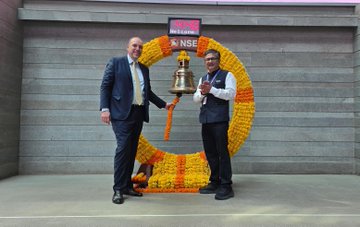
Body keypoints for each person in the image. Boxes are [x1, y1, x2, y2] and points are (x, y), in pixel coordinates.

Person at [100, 37, 171, 204]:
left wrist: (164, 105)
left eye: (140, 47)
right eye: (134, 46)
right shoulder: (116, 63)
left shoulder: (144, 69)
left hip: (138, 114)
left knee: (132, 152)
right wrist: (104, 109)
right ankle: (118, 189)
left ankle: (127, 186)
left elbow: (148, 92)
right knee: (123, 150)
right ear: (128, 47)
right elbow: (105, 86)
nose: (137, 49)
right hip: (121, 115)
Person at [193, 49, 236, 200]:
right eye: (207, 59)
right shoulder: (202, 78)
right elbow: (196, 98)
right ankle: (215, 181)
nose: (210, 62)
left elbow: (231, 94)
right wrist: (203, 93)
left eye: (213, 59)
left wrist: (212, 90)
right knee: (210, 153)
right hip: (205, 119)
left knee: (222, 153)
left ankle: (226, 185)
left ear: (218, 60)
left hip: (219, 120)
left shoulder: (227, 75)